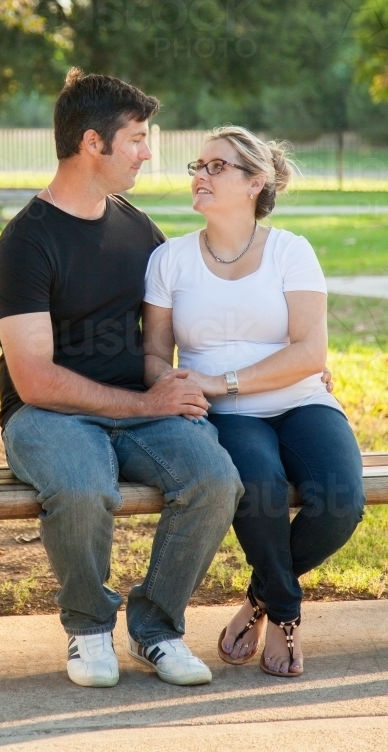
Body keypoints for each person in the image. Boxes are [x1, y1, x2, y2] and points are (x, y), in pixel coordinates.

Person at [0, 69, 243, 689]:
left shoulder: (136, 225)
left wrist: (292, 359)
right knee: (79, 488)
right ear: (92, 144)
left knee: (214, 480)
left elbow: (187, 312)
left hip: (137, 406)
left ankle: (156, 630)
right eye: (136, 138)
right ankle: (89, 629)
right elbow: (36, 379)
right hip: (47, 414)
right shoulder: (25, 243)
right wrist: (143, 403)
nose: (149, 153)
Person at [142, 125, 365, 678]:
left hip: (302, 402)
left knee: (340, 500)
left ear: (255, 182)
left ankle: (260, 600)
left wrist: (224, 380)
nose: (200, 175)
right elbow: (152, 356)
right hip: (227, 417)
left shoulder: (291, 250)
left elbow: (311, 351)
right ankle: (286, 615)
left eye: (217, 166)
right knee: (260, 489)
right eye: (197, 165)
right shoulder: (169, 258)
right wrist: (180, 387)